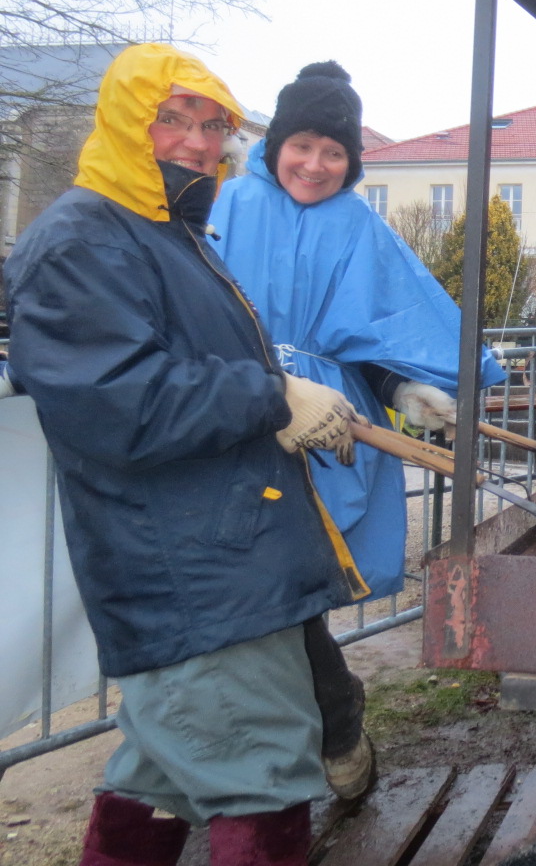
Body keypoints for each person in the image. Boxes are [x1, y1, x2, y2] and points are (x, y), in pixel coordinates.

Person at [4, 44, 363, 866]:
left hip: (221, 552)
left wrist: (286, 397)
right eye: (174, 119)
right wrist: (271, 397)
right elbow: (116, 405)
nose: (200, 143)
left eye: (214, 125)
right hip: (192, 573)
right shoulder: (82, 240)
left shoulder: (167, 232)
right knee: (263, 774)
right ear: (129, 121)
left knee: (158, 773)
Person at [210, 61, 506, 797]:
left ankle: (327, 734)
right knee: (245, 587)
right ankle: (318, 732)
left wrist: (406, 387)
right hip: (233, 424)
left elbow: (375, 332)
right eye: (302, 144)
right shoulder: (227, 207)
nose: (316, 164)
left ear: (352, 161)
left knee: (294, 586)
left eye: (334, 152)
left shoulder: (357, 225)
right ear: (276, 143)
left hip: (326, 436)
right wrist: (257, 393)